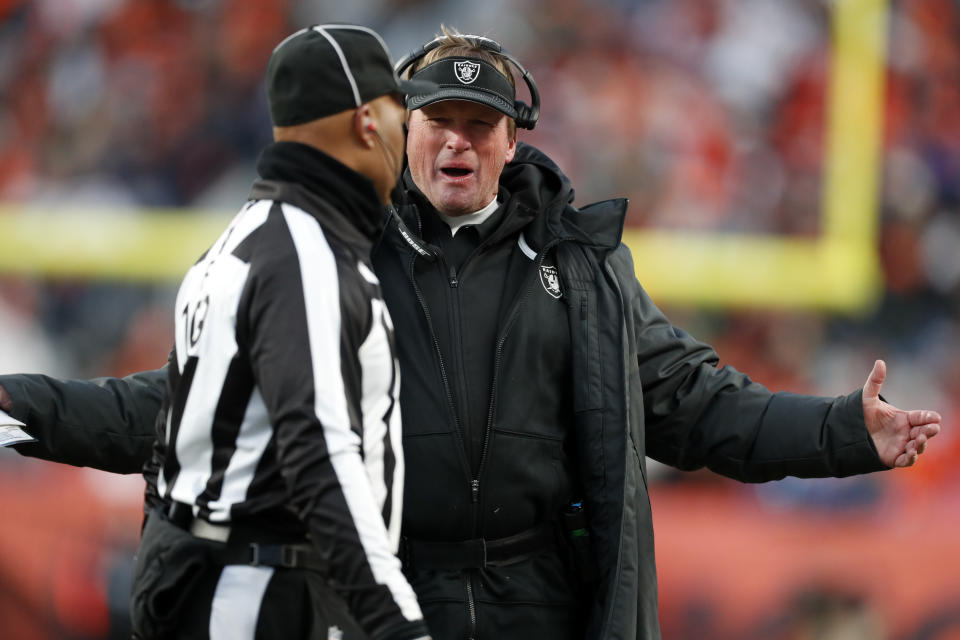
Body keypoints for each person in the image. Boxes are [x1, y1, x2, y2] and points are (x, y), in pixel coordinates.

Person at [0, 27, 942, 640]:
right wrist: (22, 408)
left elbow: (692, 405)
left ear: (512, 139)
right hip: (381, 598)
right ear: (400, 131)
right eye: (437, 120)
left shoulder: (581, 264)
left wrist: (843, 433)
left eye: (479, 124)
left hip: (541, 602)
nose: (457, 141)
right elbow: (189, 405)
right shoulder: (332, 258)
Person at [88, 24, 435, 640]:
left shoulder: (242, 240)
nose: (407, 131)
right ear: (366, 122)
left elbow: (178, 421)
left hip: (223, 580)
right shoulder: (305, 255)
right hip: (261, 593)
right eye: (398, 111)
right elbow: (320, 453)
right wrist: (397, 625)